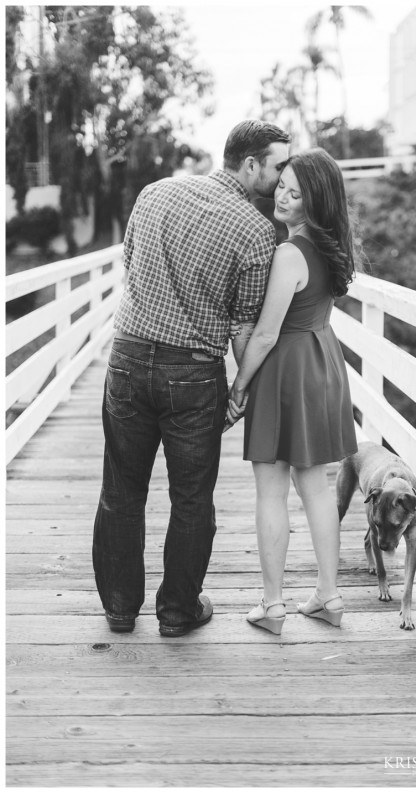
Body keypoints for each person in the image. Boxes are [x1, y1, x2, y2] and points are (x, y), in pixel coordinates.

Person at [93, 120, 290, 637]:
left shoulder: (155, 193)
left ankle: (119, 607)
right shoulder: (254, 229)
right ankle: (178, 611)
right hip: (195, 376)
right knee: (191, 498)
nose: (281, 175)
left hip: (129, 361)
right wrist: (243, 389)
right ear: (250, 164)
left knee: (121, 488)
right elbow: (243, 324)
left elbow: (131, 264)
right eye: (277, 165)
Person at [226, 148, 358, 635]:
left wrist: (239, 387)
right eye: (282, 184)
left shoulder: (289, 253)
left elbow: (264, 334)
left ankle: (274, 603)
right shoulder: (329, 246)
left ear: (314, 201)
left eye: (295, 193)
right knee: (316, 486)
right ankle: (330, 595)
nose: (282, 195)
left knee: (272, 490)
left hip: (286, 371)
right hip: (322, 362)